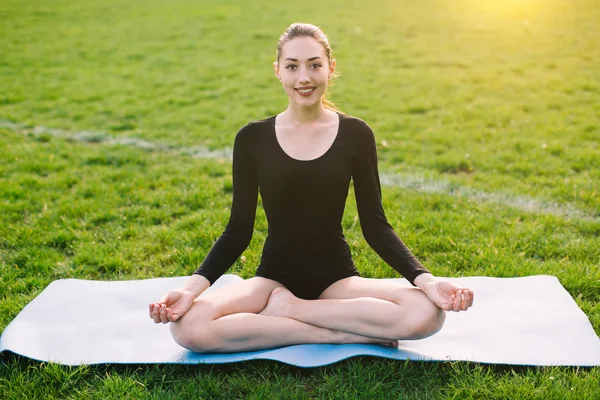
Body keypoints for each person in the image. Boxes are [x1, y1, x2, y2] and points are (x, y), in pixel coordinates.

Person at [149, 22, 474, 353]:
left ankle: (292, 312)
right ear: (278, 71)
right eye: (292, 66)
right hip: (271, 281)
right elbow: (238, 231)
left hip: (338, 281)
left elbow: (376, 227)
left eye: (314, 65)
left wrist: (427, 281)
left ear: (330, 68)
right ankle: (337, 334)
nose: (303, 78)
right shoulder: (252, 139)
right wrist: (190, 290)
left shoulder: (356, 134)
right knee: (188, 327)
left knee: (428, 314)